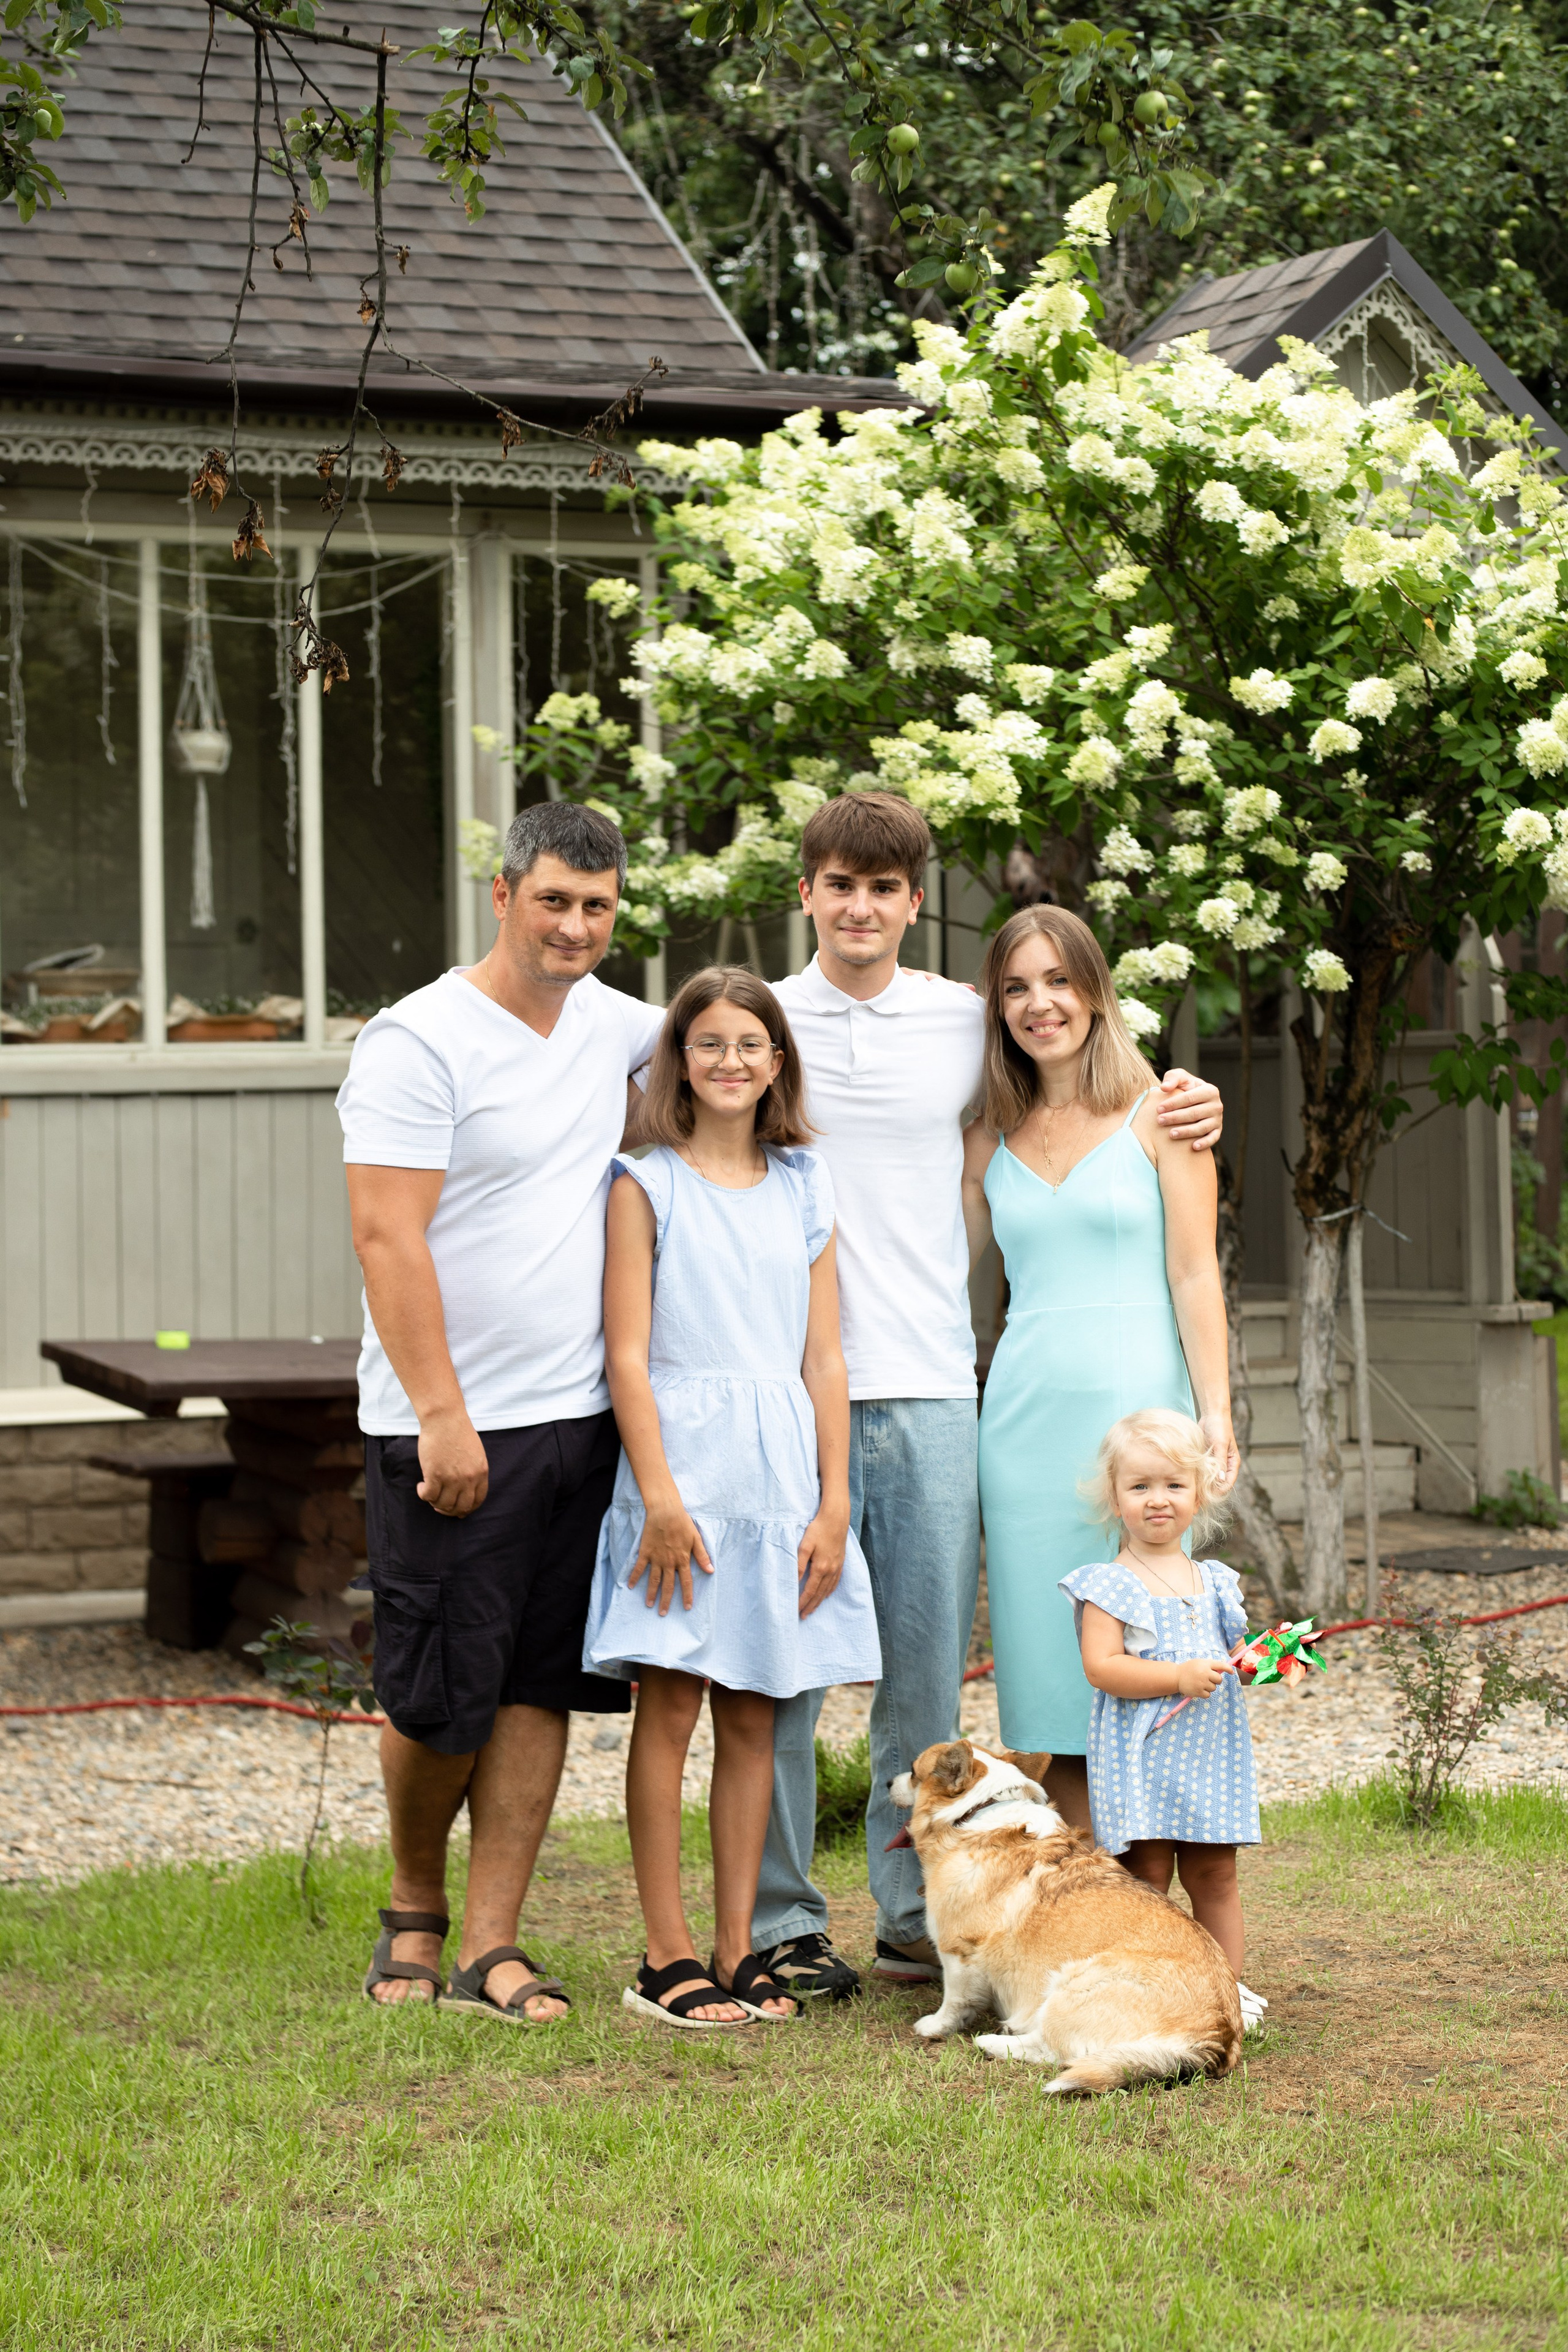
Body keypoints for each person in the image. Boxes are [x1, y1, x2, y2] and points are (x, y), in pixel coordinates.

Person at [754, 794, 1226, 1999]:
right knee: (788, 1676)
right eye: (839, 884)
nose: (861, 907)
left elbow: (1102, 1112)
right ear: (806, 892)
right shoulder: (759, 1022)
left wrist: (1192, 1097)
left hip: (935, 1387)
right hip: (798, 1388)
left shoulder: (958, 1023)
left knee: (925, 1684)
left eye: (884, 887)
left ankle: (920, 1921)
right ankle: (778, 1926)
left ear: (914, 903)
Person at [338, 800, 662, 2023]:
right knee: (437, 1690)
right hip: (447, 1427)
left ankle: (491, 1940)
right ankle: (412, 1906)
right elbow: (386, 1234)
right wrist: (440, 1413)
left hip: (578, 1421)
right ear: (503, 896)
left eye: (597, 907)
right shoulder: (419, 1042)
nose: (574, 926)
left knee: (538, 1683)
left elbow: (759, 1037)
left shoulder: (614, 1025)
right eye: (553, 902)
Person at [584, 968, 881, 2029]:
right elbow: (626, 1355)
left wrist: (833, 1504)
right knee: (670, 1711)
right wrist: (659, 1497)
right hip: (681, 1479)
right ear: (679, 1058)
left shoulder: (804, 1183)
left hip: (780, 1478)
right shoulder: (645, 1182)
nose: (730, 1061)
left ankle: (736, 1946)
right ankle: (665, 1956)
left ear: (777, 1062)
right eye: (708, 1042)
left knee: (756, 1714)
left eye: (750, 1044)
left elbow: (824, 1357)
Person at [962, 905, 1238, 1839]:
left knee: (1154, 1650)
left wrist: (1215, 1413)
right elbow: (938, 1269)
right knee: (1052, 1682)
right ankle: (1087, 1891)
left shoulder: (1165, 1112)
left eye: (1058, 980)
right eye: (1015, 987)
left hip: (1138, 1421)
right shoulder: (987, 1136)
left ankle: (1161, 1890)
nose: (1039, 1004)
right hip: (1023, 1431)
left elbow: (1195, 1273)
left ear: (1095, 992)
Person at [1059, 1407, 1265, 2029]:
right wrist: (1176, 1676)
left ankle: (1222, 1997)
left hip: (1210, 1756)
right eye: (1140, 1486)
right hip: (1142, 1758)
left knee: (1215, 1873)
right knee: (1145, 1876)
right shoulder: (1109, 1584)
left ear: (1199, 1493)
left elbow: (1234, 1655)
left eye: (1174, 1484)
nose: (1157, 1499)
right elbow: (1102, 1667)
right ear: (1114, 1496)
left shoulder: (1215, 1580)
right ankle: (1147, 1994)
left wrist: (1263, 1661)